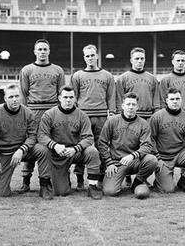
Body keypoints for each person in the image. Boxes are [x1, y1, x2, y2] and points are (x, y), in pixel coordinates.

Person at [0, 84, 52, 199]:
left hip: (23, 151)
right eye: (11, 97)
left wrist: (22, 149)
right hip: (4, 153)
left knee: (43, 150)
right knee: (1, 194)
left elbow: (32, 136)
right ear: (5, 98)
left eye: (17, 96)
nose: (15, 99)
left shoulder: (28, 113)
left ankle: (44, 185)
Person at [37, 86, 103, 200]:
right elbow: (42, 136)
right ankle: (63, 177)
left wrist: (75, 149)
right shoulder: (49, 114)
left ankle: (93, 186)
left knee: (92, 152)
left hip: (75, 152)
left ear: (75, 99)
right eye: (65, 97)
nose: (68, 100)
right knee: (61, 192)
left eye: (71, 97)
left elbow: (88, 138)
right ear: (59, 98)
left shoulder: (82, 115)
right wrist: (55, 146)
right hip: (57, 154)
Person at [19, 39, 65, 194]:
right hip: (33, 110)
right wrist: (25, 115)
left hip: (52, 110)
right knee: (32, 144)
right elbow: (23, 94)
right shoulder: (27, 70)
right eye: (39, 49)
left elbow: (62, 94)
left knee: (52, 145)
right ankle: (26, 181)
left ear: (49, 51)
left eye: (45, 49)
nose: (42, 52)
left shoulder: (58, 70)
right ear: (35, 51)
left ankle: (50, 181)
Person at [70, 44, 116, 189]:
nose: (90, 58)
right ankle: (79, 179)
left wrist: (112, 113)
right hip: (83, 116)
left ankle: (100, 177)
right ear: (84, 58)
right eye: (87, 56)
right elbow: (74, 97)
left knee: (102, 147)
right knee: (81, 147)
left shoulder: (107, 76)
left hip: (101, 116)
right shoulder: (77, 75)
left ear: (97, 56)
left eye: (92, 55)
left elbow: (111, 97)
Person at [99, 92, 158, 197]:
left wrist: (133, 156)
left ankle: (137, 182)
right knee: (110, 192)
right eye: (128, 104)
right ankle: (114, 180)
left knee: (152, 160)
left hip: (135, 161)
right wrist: (109, 163)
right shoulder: (112, 121)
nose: (131, 107)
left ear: (137, 107)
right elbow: (102, 143)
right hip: (117, 163)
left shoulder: (143, 124)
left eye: (133, 105)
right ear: (122, 106)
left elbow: (147, 146)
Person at [116, 47, 160, 187]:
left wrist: (155, 116)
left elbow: (157, 102)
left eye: (142, 58)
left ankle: (143, 177)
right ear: (131, 60)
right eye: (137, 58)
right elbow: (119, 101)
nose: (139, 61)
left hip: (147, 117)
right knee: (128, 146)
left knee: (147, 148)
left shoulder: (152, 79)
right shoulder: (123, 78)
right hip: (129, 117)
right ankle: (127, 174)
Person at [150, 88, 185, 194]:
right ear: (166, 101)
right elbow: (151, 139)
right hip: (163, 157)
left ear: (181, 100)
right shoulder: (157, 117)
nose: (175, 101)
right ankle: (160, 178)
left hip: (179, 154)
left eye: (177, 98)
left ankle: (183, 182)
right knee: (168, 190)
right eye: (172, 99)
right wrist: (157, 158)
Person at [159, 50, 185, 119]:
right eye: (178, 60)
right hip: (172, 116)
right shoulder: (165, 80)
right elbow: (162, 101)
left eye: (182, 60)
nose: (180, 63)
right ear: (172, 62)